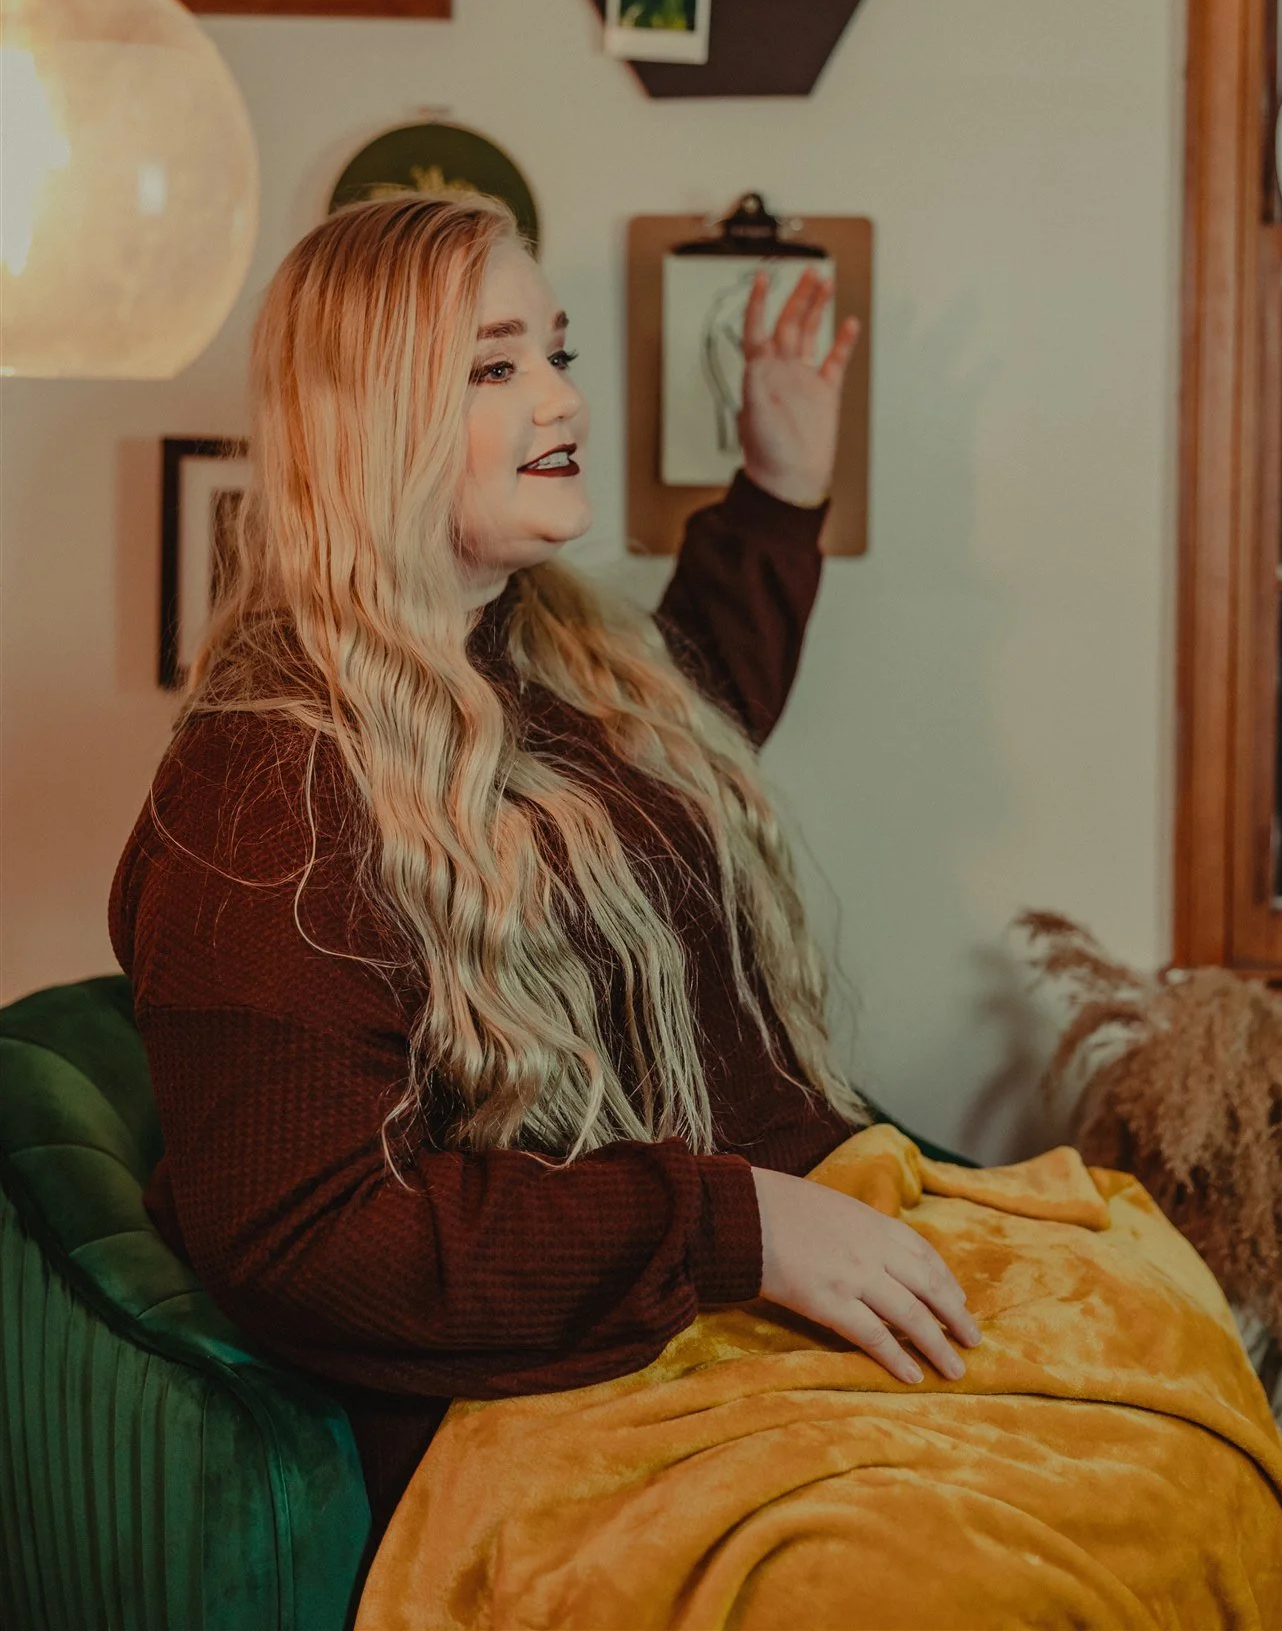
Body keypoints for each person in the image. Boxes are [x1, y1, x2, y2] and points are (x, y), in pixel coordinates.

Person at [109, 192, 980, 1544]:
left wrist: (779, 489)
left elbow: (658, 776)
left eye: (557, 353)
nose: (562, 400)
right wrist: (730, 1226)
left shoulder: (534, 645)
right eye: (495, 367)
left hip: (733, 1293)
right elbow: (303, 1239)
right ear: (371, 419)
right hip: (542, 1419)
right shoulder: (264, 794)